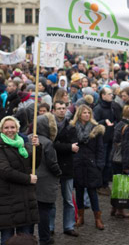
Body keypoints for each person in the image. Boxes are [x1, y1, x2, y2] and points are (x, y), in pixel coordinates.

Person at [0, 116, 41, 245]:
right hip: (7, 199)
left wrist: (38, 148)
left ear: (17, 129)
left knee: (25, 238)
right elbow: (5, 171)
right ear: (1, 130)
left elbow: (34, 165)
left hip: (24, 198)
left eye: (12, 127)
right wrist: (28, 179)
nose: (10, 130)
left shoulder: (23, 145)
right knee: (7, 239)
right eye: (6, 127)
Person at [71, 104, 106, 230]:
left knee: (92, 192)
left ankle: (98, 218)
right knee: (79, 191)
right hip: (78, 163)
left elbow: (100, 149)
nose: (86, 115)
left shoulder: (96, 129)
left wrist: (99, 165)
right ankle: (80, 217)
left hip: (92, 164)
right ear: (79, 114)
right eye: (84, 113)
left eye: (88, 113)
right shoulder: (73, 128)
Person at [29, 114, 61, 245]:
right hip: (46, 181)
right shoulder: (47, 142)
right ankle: (45, 238)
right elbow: (52, 163)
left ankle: (29, 237)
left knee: (31, 212)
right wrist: (59, 172)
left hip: (33, 179)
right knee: (44, 212)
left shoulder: (29, 138)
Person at [52, 101, 79, 237]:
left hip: (67, 166)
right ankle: (50, 226)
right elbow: (51, 145)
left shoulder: (71, 126)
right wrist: (67, 147)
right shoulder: (50, 126)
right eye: (59, 108)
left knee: (68, 199)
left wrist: (61, 146)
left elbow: (75, 146)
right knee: (51, 199)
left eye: (64, 108)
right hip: (52, 165)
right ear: (54, 110)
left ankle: (69, 226)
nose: (62, 110)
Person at [93, 87, 122, 196]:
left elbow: (115, 119)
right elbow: (94, 123)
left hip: (111, 138)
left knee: (109, 162)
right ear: (103, 95)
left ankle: (105, 183)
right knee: (102, 162)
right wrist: (103, 121)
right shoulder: (98, 108)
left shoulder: (112, 107)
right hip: (102, 140)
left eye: (112, 94)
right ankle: (99, 185)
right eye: (109, 94)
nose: (112, 96)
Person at [110, 105, 129, 218]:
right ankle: (120, 210)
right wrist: (126, 165)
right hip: (122, 160)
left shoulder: (119, 124)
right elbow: (126, 146)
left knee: (117, 183)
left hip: (115, 158)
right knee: (124, 185)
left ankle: (114, 207)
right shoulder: (128, 127)